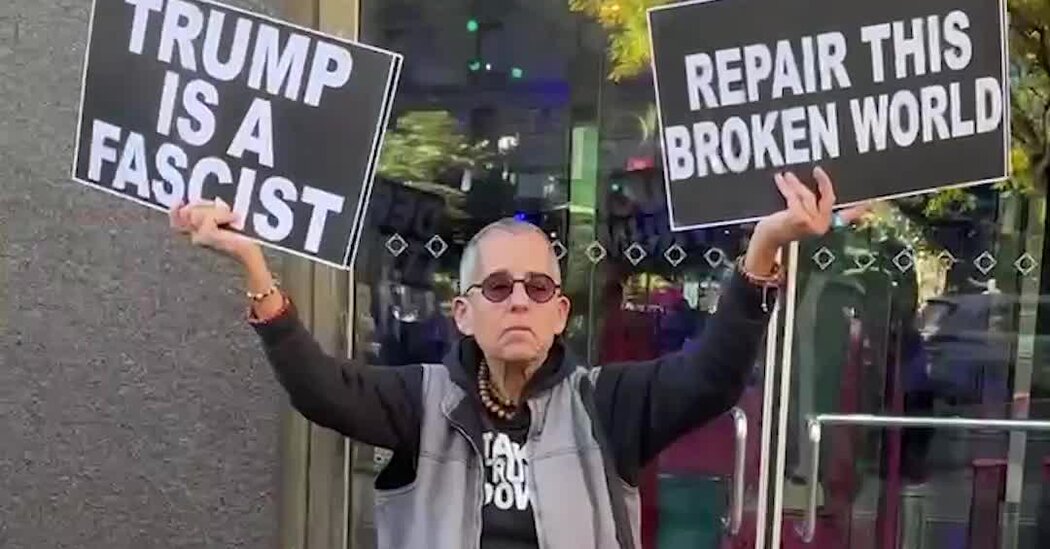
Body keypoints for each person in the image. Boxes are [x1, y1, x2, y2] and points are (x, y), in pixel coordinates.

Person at [170, 168, 842, 548]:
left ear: (560, 314)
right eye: (497, 287)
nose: (518, 300)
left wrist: (764, 249)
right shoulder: (423, 401)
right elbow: (320, 388)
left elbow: (712, 377)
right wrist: (252, 263)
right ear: (463, 311)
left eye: (538, 287)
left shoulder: (601, 404)